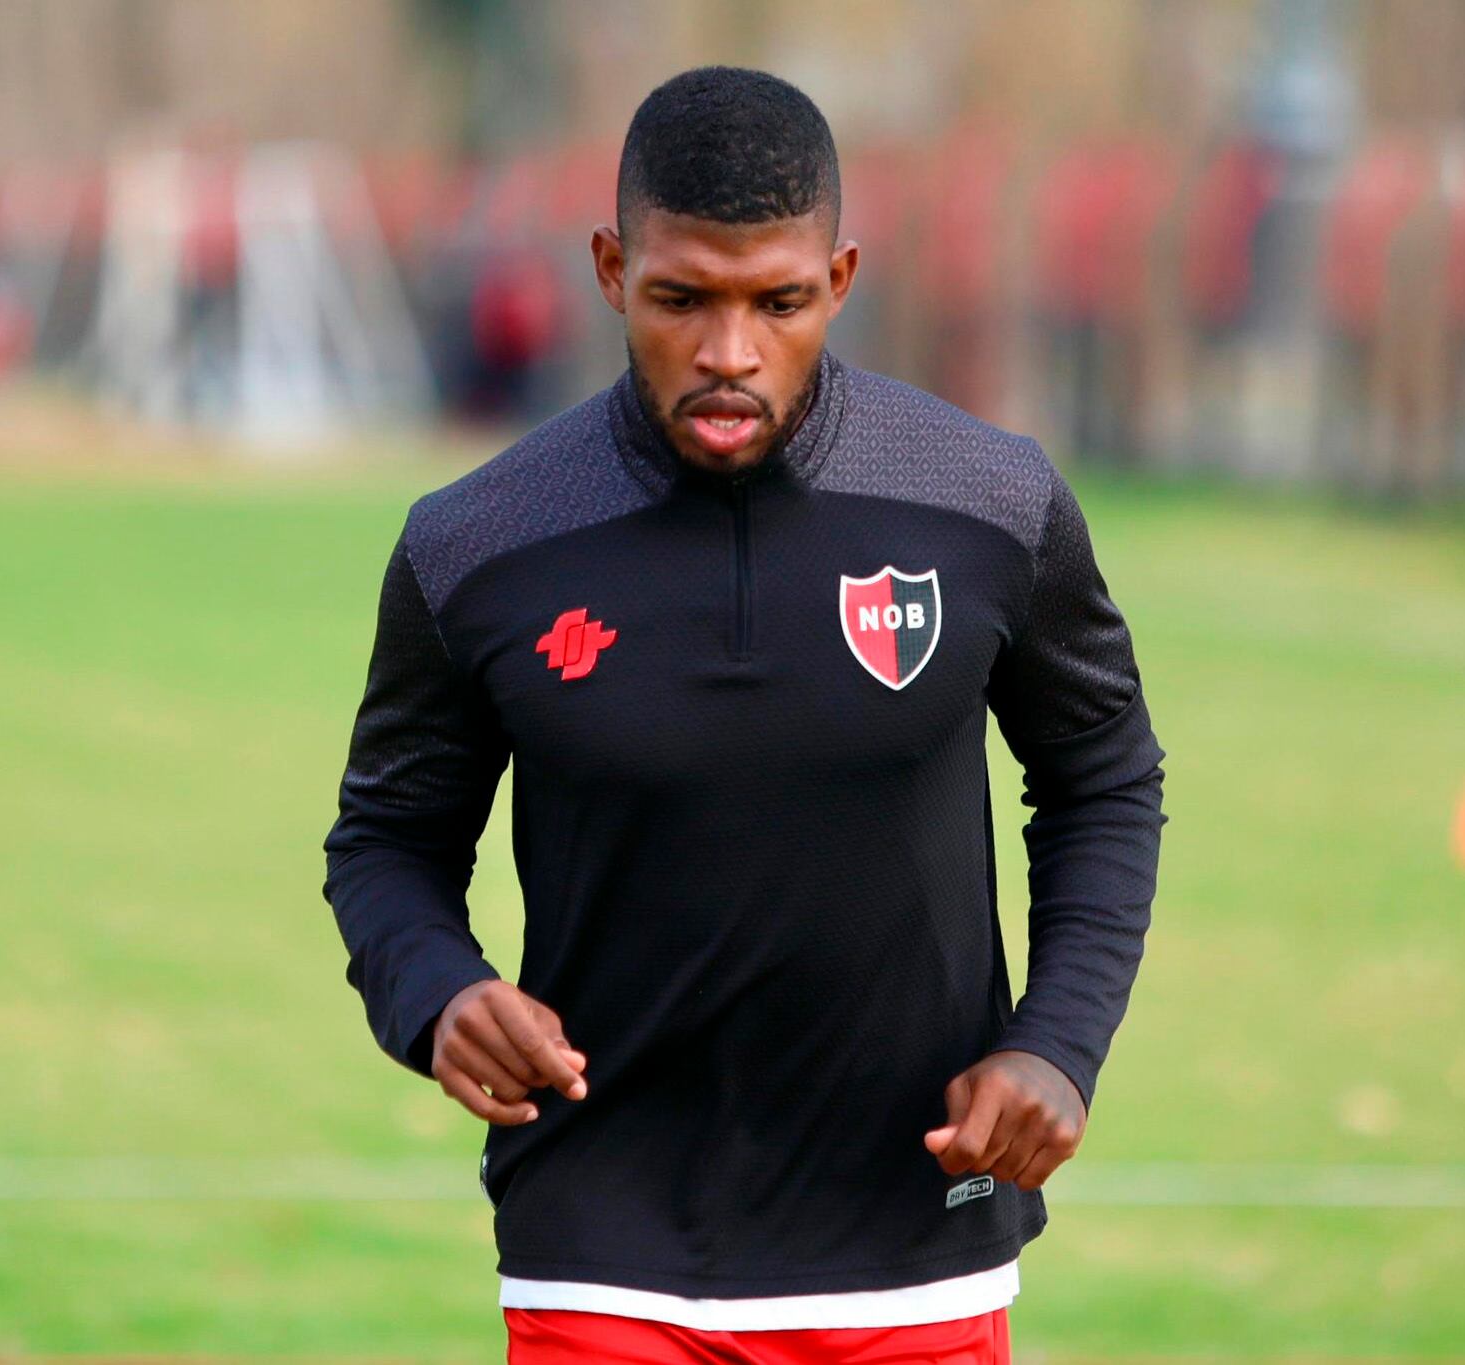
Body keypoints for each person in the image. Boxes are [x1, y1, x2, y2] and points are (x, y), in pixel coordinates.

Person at [322, 66, 1168, 1365]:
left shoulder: (989, 504)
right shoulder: (478, 546)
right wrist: (436, 992)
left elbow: (1103, 772)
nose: (730, 351)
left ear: (839, 278)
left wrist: (1058, 1042)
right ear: (612, 269)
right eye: (682, 299)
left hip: (911, 1262)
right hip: (604, 1262)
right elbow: (384, 836)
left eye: (776, 301)